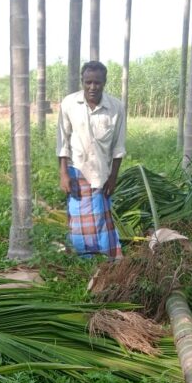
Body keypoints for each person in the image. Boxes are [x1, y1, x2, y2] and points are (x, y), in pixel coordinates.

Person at [56, 61, 126, 259]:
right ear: (82, 81)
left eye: (97, 82)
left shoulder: (116, 107)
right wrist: (63, 174)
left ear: (104, 82)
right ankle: (83, 260)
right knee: (79, 223)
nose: (92, 87)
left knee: (102, 222)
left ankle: (106, 258)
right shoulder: (69, 104)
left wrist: (113, 177)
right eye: (88, 82)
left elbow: (118, 147)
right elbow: (63, 142)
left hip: (102, 173)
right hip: (76, 170)